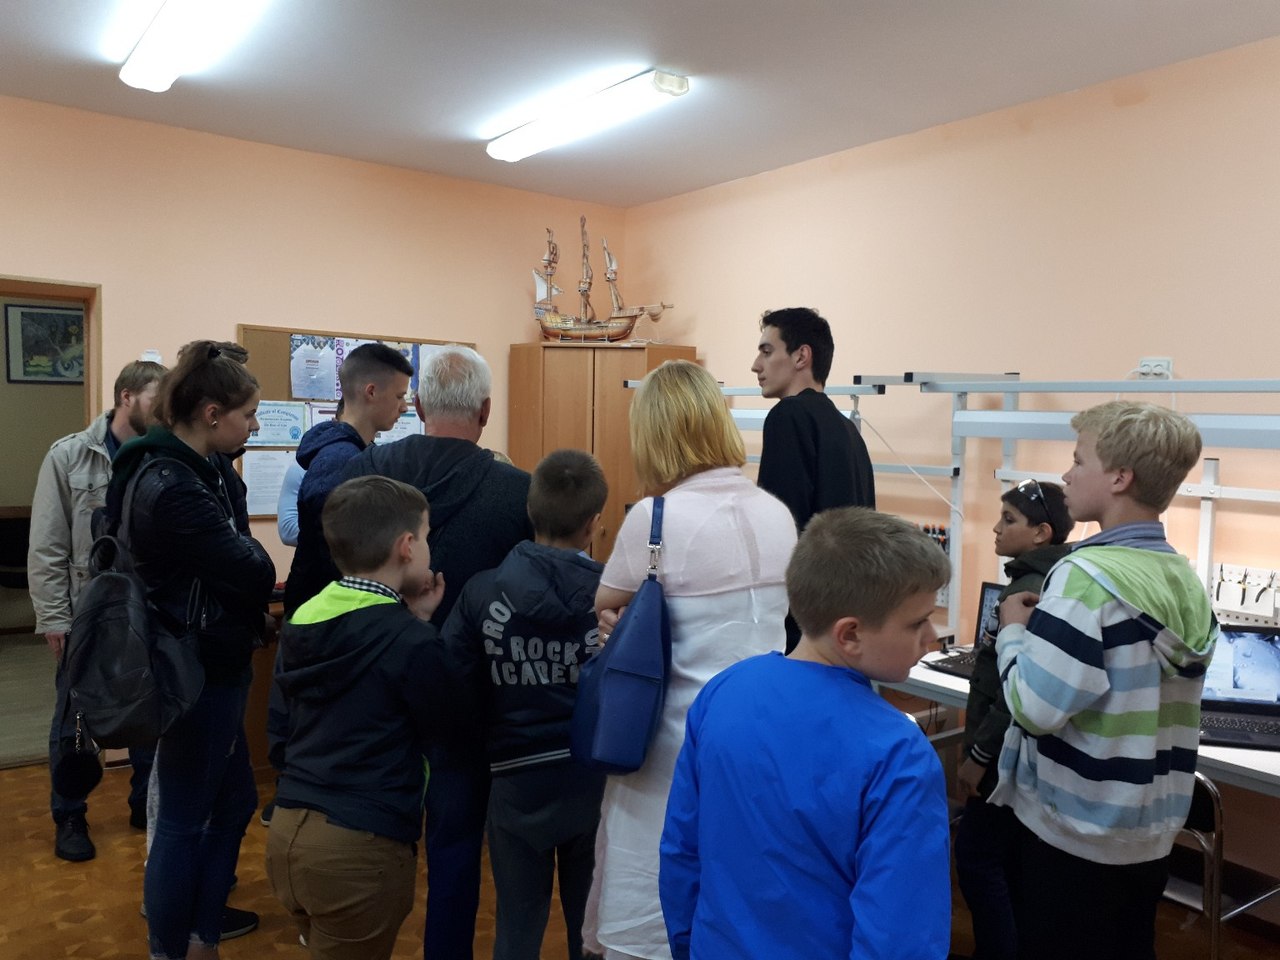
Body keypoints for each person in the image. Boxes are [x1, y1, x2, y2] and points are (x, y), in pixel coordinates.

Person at [659, 507, 952, 960]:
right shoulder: (897, 751)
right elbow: (901, 936)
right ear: (849, 634)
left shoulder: (724, 690)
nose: (931, 636)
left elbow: (682, 853)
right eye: (918, 622)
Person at [992, 401, 1218, 960]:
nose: (1066, 474)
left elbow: (1035, 709)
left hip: (1076, 830)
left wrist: (1013, 633)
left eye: (1078, 460)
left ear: (1119, 477)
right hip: (1149, 831)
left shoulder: (1082, 577)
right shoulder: (1183, 577)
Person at [588, 359, 797, 960]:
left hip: (666, 751)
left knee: (652, 912)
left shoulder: (654, 520)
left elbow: (605, 604)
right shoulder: (777, 514)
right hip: (758, 745)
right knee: (736, 907)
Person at [341, 343, 532, 960]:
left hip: (374, 684)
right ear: (486, 410)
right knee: (455, 847)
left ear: (419, 405)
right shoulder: (518, 492)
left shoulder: (366, 477)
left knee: (365, 840)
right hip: (471, 695)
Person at [106, 340, 276, 960]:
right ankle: (172, 948)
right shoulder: (172, 482)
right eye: (247, 415)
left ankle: (203, 936)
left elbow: (237, 554)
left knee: (234, 801)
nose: (253, 426)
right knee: (180, 821)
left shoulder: (196, 469)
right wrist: (247, 551)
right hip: (193, 670)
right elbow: (255, 569)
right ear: (210, 414)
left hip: (208, 662)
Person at [267, 475, 460, 960]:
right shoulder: (412, 643)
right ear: (407, 546)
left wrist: (414, 619)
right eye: (427, 537)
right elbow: (448, 733)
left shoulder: (303, 618)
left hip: (288, 832)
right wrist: (420, 631)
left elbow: (280, 729)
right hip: (360, 845)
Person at [443, 449, 608, 960]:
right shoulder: (614, 599)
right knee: (592, 929)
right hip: (592, 779)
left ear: (530, 511)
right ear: (593, 524)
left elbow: (452, 686)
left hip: (514, 778)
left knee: (516, 927)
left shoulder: (481, 591)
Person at [29, 357, 165, 860]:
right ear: (126, 397)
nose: (164, 410)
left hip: (146, 610)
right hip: (88, 612)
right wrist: (55, 619)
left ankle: (143, 803)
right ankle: (70, 815)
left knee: (149, 709)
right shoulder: (70, 456)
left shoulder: (160, 454)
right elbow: (46, 546)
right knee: (74, 718)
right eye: (155, 398)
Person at [953, 479, 1074, 960]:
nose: (996, 528)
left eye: (1009, 519)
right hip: (1022, 757)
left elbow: (1015, 688)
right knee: (1009, 865)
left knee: (977, 861)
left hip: (1001, 755)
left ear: (1042, 532)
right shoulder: (1053, 580)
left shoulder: (1027, 590)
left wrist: (978, 756)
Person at [750, 306, 875, 650]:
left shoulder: (788, 416)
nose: (756, 365)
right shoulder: (847, 430)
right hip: (845, 613)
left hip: (800, 620)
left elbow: (778, 526)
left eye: (767, 351)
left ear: (801, 356)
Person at [283, 342, 413, 613]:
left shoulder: (359, 454)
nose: (404, 407)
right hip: (329, 615)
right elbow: (336, 554)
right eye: (400, 396)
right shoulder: (340, 461)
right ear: (371, 392)